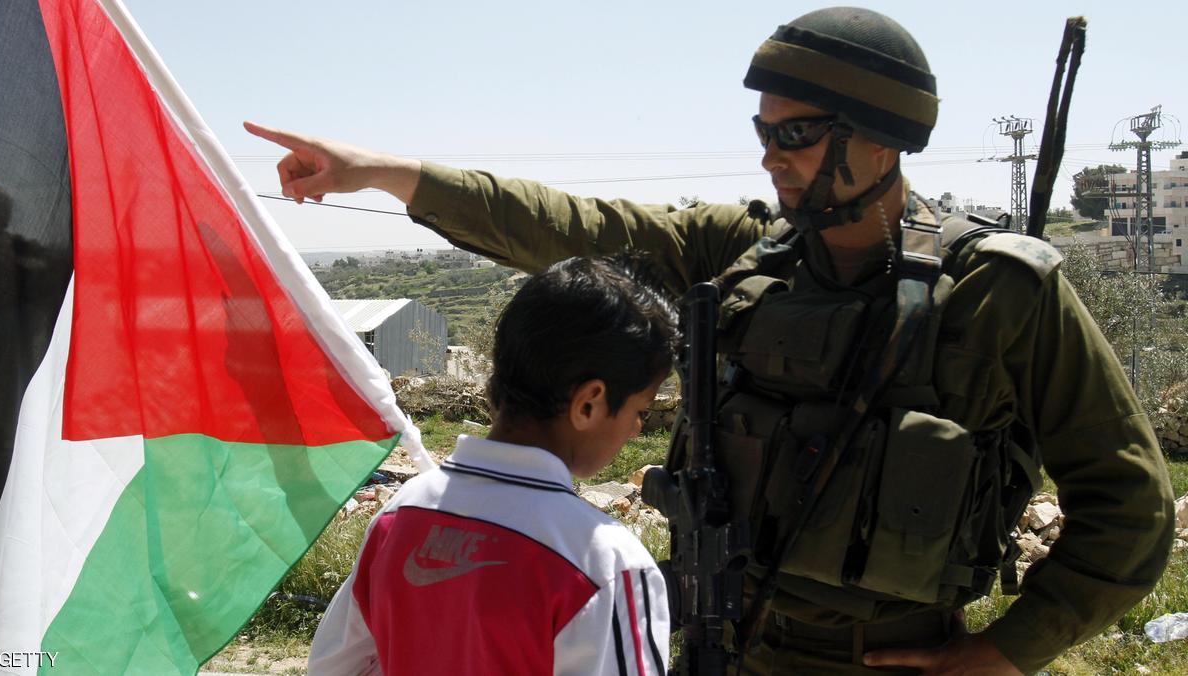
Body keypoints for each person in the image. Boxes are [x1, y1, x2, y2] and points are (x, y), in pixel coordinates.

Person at [248, 7, 1175, 674]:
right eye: (765, 132)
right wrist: (382, 173)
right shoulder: (741, 253)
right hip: (719, 644)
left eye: (798, 136)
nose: (772, 155)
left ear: (882, 140)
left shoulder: (1003, 291)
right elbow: (571, 223)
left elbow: (1130, 510)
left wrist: (1006, 652)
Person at [308, 254, 676, 675]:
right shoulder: (606, 564)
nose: (635, 429)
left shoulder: (401, 513)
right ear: (589, 403)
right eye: (639, 409)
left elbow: (335, 666)